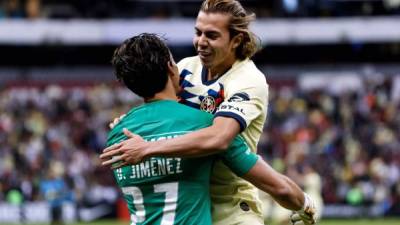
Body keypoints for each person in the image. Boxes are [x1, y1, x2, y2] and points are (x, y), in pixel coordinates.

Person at [101, 1, 304, 224]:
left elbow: (219, 137)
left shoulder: (248, 80)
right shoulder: (186, 67)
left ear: (236, 40)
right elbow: (158, 99)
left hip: (231, 203)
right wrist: (131, 121)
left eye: (212, 35)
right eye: (198, 32)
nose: (201, 42)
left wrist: (147, 145)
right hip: (192, 195)